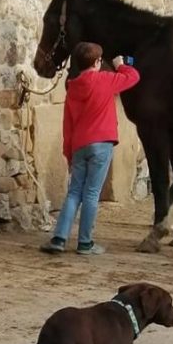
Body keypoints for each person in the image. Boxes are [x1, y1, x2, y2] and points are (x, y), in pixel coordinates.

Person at [41, 42, 139, 257]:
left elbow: (67, 125)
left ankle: (59, 238)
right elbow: (133, 77)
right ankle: (85, 242)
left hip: (79, 145)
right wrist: (120, 65)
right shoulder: (105, 79)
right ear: (97, 62)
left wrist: (68, 153)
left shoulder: (72, 88)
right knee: (92, 193)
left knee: (74, 192)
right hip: (102, 143)